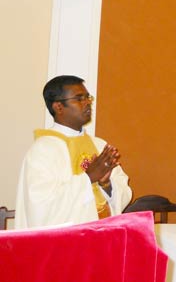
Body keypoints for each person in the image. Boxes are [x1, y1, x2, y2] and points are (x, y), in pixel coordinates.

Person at [15, 75, 132, 228]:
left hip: (103, 233)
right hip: (66, 239)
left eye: (87, 97)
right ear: (58, 107)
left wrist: (106, 184)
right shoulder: (43, 150)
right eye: (79, 98)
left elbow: (123, 192)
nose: (88, 103)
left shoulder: (99, 145)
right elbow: (40, 207)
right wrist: (88, 177)